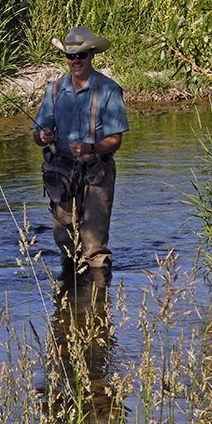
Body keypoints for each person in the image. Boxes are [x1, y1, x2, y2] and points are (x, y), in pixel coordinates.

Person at [33, 27, 128, 273]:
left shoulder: (109, 90)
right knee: (64, 242)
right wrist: (42, 136)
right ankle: (69, 302)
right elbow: (37, 134)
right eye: (70, 56)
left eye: (81, 55)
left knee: (94, 246)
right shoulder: (54, 90)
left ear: (92, 54)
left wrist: (91, 147)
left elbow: (116, 139)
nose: (75, 61)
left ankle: (97, 305)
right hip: (61, 173)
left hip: (98, 172)